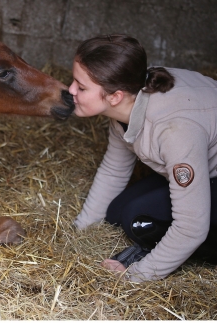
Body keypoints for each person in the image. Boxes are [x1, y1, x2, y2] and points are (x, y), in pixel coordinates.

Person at [69, 34, 217, 282]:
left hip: (206, 168)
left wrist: (136, 275)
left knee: (138, 221)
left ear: (114, 96)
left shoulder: (175, 130)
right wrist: (80, 229)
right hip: (199, 162)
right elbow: (114, 170)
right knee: (116, 212)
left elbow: (192, 227)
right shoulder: (129, 95)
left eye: (81, 87)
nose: (71, 90)